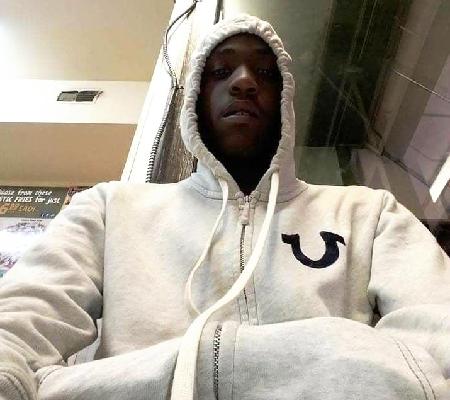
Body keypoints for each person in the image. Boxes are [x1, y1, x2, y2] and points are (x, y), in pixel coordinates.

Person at [0, 14, 449, 400]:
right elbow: (20, 324)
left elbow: (438, 331)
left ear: (285, 101)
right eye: (220, 70)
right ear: (195, 99)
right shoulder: (110, 209)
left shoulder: (367, 213)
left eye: (265, 73)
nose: (244, 81)